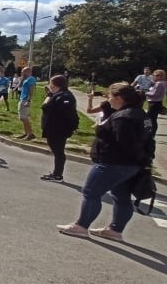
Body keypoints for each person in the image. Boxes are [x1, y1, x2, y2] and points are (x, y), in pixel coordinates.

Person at [57, 83, 151, 240]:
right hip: (131, 165)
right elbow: (146, 141)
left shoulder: (123, 118)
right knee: (121, 196)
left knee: (91, 192)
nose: (108, 99)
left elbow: (125, 143)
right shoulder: (141, 114)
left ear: (119, 98)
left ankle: (81, 226)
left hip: (113, 163)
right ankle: (115, 230)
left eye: (110, 96)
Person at [40, 75, 79, 182]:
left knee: (58, 152)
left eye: (51, 83)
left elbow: (45, 107)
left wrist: (48, 96)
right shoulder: (58, 95)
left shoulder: (64, 97)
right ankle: (57, 173)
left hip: (58, 129)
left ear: (55, 85)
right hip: (54, 128)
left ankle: (57, 175)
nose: (49, 85)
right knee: (57, 151)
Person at [17, 66, 36, 140]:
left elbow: (31, 91)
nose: (22, 73)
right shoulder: (26, 79)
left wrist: (28, 101)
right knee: (22, 118)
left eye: (23, 71)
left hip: (25, 100)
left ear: (28, 72)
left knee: (24, 117)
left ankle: (30, 134)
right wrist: (22, 79)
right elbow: (20, 86)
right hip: (22, 98)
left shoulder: (31, 79)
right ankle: (26, 133)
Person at [144, 69, 165, 137]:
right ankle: (151, 133)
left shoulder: (159, 83)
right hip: (158, 102)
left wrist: (145, 92)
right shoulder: (163, 82)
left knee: (149, 118)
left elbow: (155, 94)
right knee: (153, 118)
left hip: (154, 103)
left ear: (160, 76)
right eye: (153, 75)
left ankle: (149, 133)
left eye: (156, 75)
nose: (154, 76)